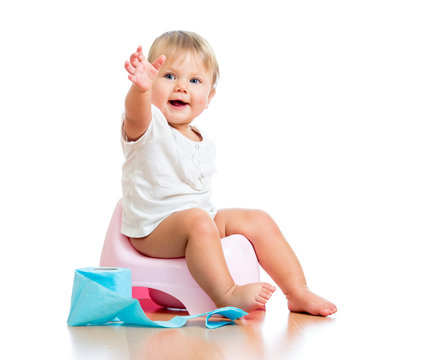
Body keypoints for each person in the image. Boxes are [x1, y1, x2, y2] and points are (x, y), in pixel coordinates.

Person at [121, 30, 337, 316]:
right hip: (153, 229)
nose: (181, 87)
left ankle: (297, 291)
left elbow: (199, 213)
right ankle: (227, 294)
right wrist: (140, 90)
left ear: (208, 97)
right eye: (169, 76)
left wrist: (206, 223)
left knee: (257, 220)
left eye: (194, 80)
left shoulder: (200, 136)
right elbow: (135, 114)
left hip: (198, 222)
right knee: (198, 221)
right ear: (152, 79)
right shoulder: (149, 127)